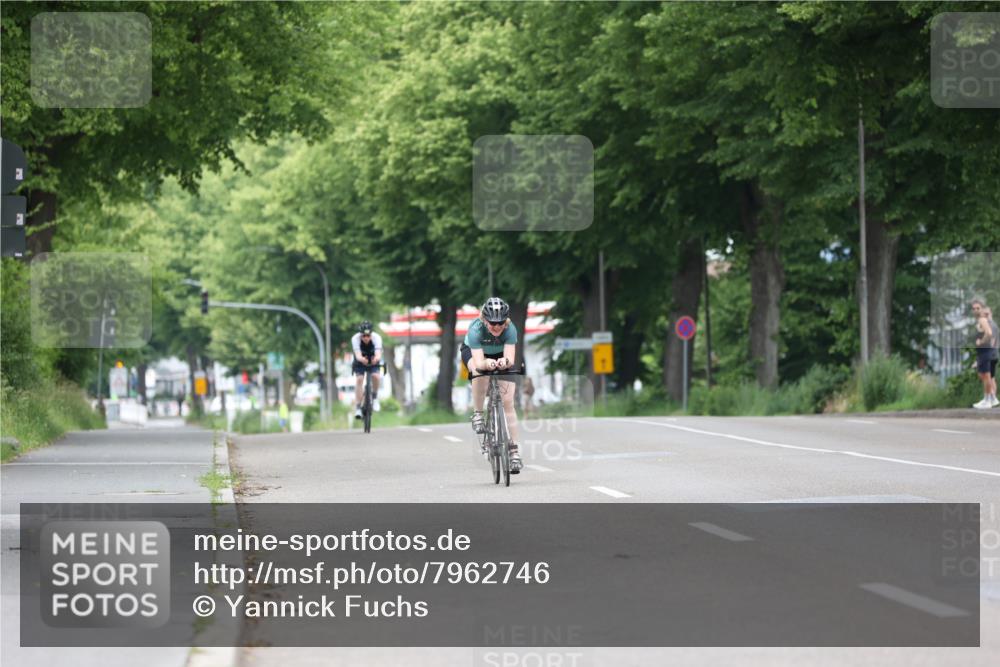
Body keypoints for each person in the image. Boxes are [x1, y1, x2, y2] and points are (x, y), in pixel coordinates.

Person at [461, 297, 522, 473]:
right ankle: (478, 413)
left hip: (499, 355)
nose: (497, 327)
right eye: (492, 323)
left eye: (500, 323)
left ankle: (514, 451)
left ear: (506, 321)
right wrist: (486, 364)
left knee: (508, 401)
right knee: (478, 372)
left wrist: (505, 362)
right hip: (476, 355)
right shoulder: (475, 329)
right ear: (484, 320)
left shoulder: (510, 330)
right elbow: (480, 362)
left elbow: (510, 357)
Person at [351, 320, 383, 419]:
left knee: (376, 376)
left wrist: (376, 359)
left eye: (368, 336)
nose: (366, 338)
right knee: (359, 379)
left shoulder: (377, 338)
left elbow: (378, 354)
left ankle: (375, 397)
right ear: (360, 335)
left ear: (371, 334)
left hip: (373, 358)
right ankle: (358, 408)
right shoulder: (355, 339)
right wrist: (362, 360)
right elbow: (358, 355)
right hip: (360, 359)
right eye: (363, 336)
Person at [971, 299, 997, 409]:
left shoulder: (982, 319)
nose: (976, 310)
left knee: (986, 376)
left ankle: (987, 400)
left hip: (986, 351)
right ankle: (991, 398)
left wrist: (981, 342)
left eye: (978, 308)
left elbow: (989, 333)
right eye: (974, 309)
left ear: (982, 309)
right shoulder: (980, 320)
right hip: (985, 352)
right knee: (985, 375)